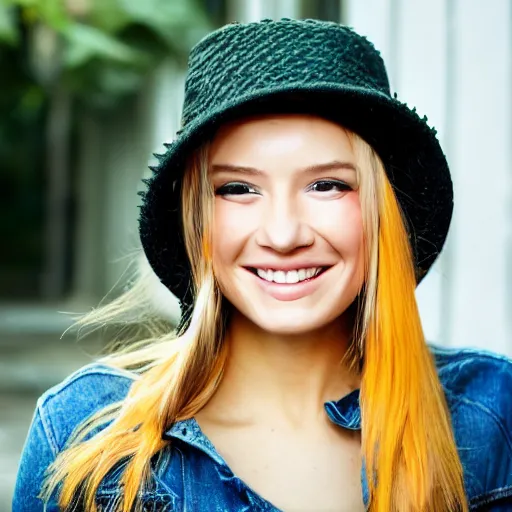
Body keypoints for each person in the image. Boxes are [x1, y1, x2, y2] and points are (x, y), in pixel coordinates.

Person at [13, 18, 512, 512]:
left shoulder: (492, 415)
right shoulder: (83, 433)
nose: (283, 235)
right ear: (196, 221)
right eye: (237, 189)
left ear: (382, 212)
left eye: (328, 185)